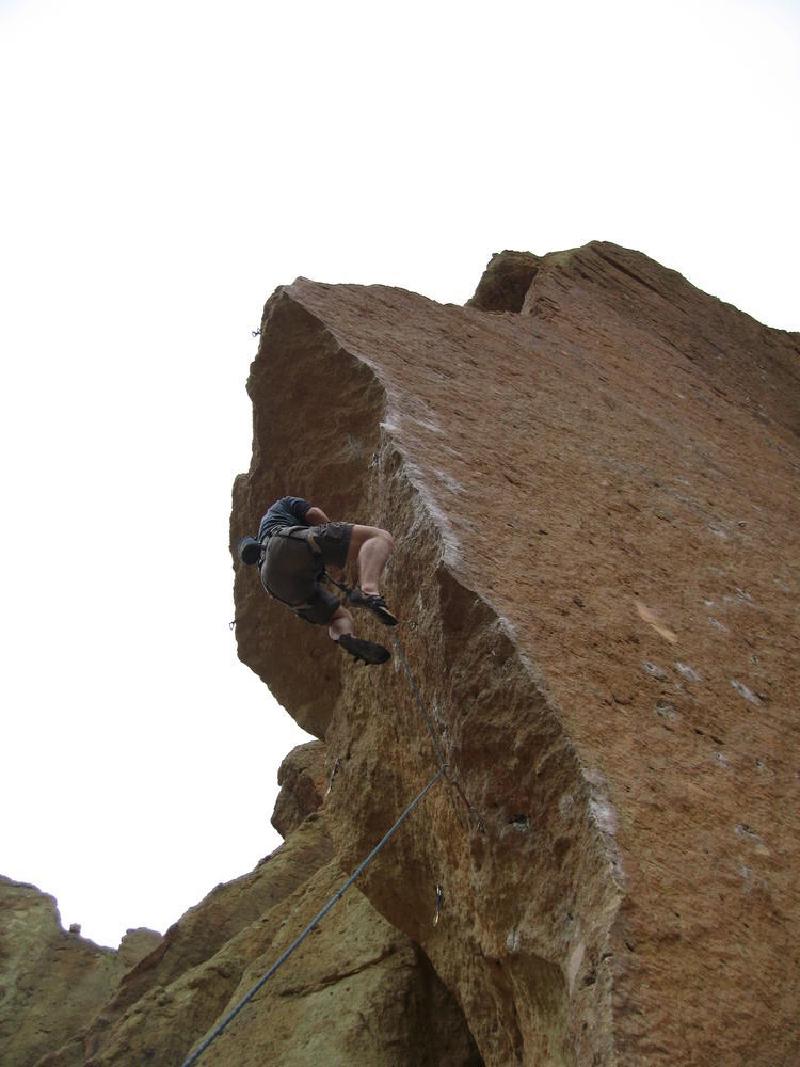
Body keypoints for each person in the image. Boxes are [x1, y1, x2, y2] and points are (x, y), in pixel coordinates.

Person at [238, 496, 398, 665]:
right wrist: (337, 538)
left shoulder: (263, 534)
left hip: (272, 582)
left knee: (338, 617)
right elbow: (313, 513)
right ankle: (369, 592)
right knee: (378, 537)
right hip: (283, 543)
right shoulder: (284, 503)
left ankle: (346, 636)